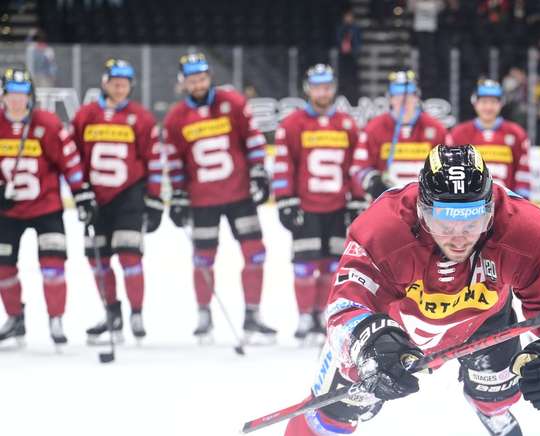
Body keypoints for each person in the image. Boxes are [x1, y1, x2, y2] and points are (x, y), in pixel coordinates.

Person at [256, 145, 540, 436]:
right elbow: (345, 304)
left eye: (471, 219)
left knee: (504, 388)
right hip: (392, 333)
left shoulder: (527, 229)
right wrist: (369, 344)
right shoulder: (382, 229)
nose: (458, 235)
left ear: (490, 207)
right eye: (443, 219)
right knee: (335, 412)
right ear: (420, 207)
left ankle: (487, 404)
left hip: (481, 320)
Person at [148, 53, 276, 343]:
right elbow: (175, 162)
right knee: (203, 258)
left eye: (202, 78)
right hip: (201, 200)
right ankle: (204, 315)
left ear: (209, 78)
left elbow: (254, 140)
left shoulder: (232, 103)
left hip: (239, 195)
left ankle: (253, 315)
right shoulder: (175, 119)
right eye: (192, 79)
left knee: (255, 253)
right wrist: (178, 195)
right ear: (183, 82)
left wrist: (258, 172)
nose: (198, 84)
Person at [0, 68, 95, 347]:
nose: (17, 101)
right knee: (3, 269)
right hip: (7, 212)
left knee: (53, 267)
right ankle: (15, 318)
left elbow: (70, 163)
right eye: (11, 95)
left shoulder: (48, 124)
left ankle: (56, 319)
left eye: (22, 95)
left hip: (47, 208)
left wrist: (82, 195)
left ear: (30, 97)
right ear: (3, 97)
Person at [71, 59, 159, 344]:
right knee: (99, 262)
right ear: (105, 83)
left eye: (124, 84)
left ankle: (137, 313)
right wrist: (80, 191)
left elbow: (154, 160)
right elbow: (73, 158)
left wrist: (155, 199)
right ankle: (112, 312)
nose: (119, 89)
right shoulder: (85, 114)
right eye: (115, 83)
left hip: (129, 196)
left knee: (130, 257)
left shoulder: (142, 118)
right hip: (95, 199)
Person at [272, 64, 359, 341]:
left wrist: (356, 201)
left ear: (334, 88)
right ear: (308, 89)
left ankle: (324, 317)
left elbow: (355, 165)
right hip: (306, 207)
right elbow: (284, 163)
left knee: (333, 266)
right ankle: (303, 317)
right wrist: (285, 199)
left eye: (327, 86)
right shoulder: (293, 124)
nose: (323, 92)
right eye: (317, 87)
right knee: (305, 266)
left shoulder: (347, 124)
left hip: (337, 207)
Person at [350, 70, 447, 205]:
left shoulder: (436, 129)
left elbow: (447, 168)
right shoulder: (374, 128)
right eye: (398, 96)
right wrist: (373, 181)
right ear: (390, 98)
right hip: (387, 205)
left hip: (425, 207)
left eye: (409, 96)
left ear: (417, 97)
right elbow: (357, 169)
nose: (403, 102)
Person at [447, 78, 531, 198]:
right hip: (469, 204)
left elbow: (523, 173)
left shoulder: (516, 133)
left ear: (501, 103)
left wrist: (521, 201)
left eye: (493, 102)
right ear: (475, 102)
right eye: (484, 102)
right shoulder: (459, 134)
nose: (488, 107)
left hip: (506, 202)